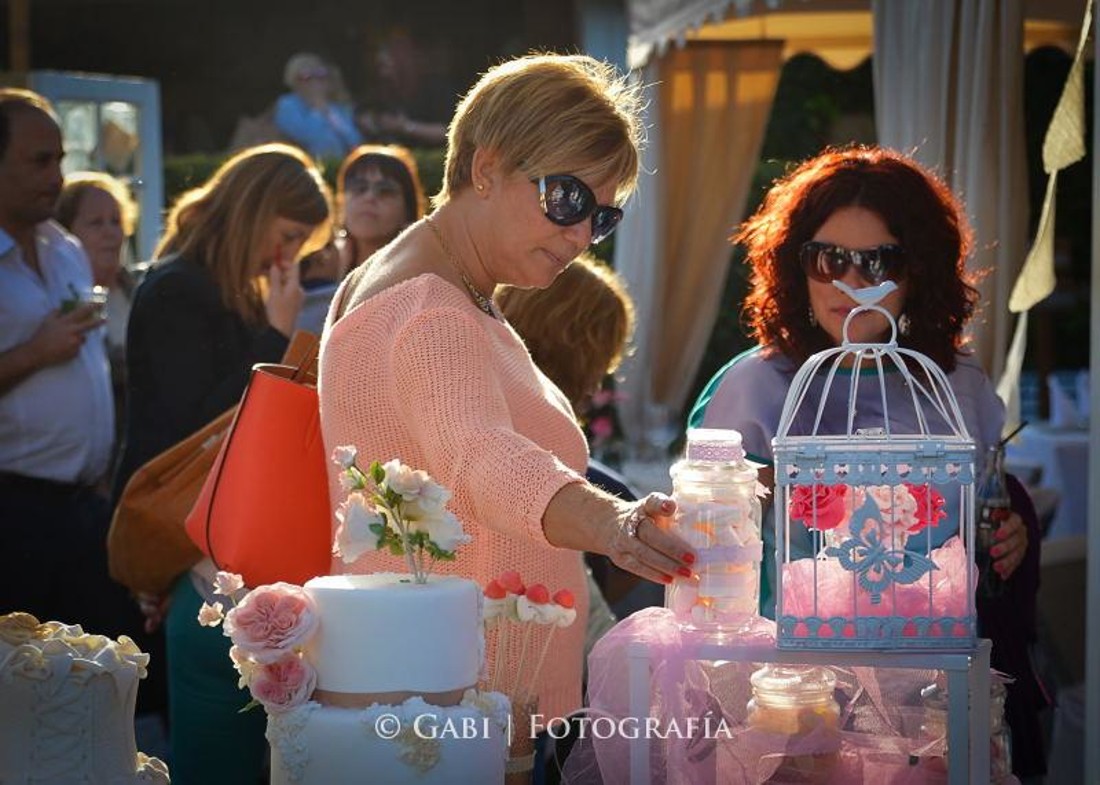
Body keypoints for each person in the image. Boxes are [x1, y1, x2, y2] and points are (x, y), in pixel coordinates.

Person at [320, 54, 697, 744]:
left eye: (602, 217)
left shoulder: (424, 280)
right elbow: (482, 458)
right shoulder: (432, 308)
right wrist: (614, 523)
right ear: (486, 168)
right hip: (457, 709)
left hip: (433, 689)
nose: (581, 235)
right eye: (567, 199)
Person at [689, 145, 1046, 777]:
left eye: (879, 260)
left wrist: (1009, 532)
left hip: (934, 691)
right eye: (828, 259)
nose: (851, 283)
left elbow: (983, 506)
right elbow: (713, 549)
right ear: (795, 265)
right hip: (796, 690)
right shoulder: (755, 386)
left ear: (919, 270)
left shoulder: (957, 382)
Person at [114, 143, 332, 785]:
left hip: (202, 534)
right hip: (180, 527)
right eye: (287, 236)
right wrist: (276, 334)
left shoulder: (216, 286)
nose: (286, 257)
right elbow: (206, 424)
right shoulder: (179, 288)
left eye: (300, 245)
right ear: (254, 212)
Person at [0, 88, 140, 637]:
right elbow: (52, 350)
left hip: (83, 504)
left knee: (94, 668)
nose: (56, 176)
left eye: (59, 159)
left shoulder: (62, 248)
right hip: (15, 507)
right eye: (39, 161)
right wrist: (36, 351)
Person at [294, 144, 426, 334]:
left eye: (385, 191)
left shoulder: (421, 275)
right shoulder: (312, 263)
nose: (370, 197)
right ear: (341, 202)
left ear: (408, 212)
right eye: (359, 188)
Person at [57, 171, 140, 406]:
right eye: (96, 222)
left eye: (116, 221)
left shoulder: (141, 290)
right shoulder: (62, 301)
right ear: (66, 233)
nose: (110, 232)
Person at [274, 52, 363, 160]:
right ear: (294, 80)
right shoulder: (288, 104)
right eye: (306, 76)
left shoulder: (336, 106)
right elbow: (309, 137)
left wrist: (329, 113)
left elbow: (355, 139)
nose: (315, 81)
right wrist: (317, 110)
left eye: (321, 75)